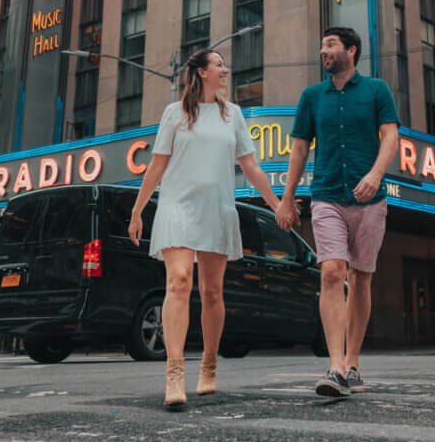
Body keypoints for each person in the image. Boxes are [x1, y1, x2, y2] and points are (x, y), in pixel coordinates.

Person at [128, 48, 287, 411]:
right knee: (178, 281)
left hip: (216, 208)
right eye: (219, 65)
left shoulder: (233, 115)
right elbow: (156, 167)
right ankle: (173, 372)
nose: (225, 70)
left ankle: (209, 362)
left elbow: (251, 167)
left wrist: (277, 205)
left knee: (212, 292)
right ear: (201, 72)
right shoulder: (175, 114)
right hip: (177, 205)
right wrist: (138, 211)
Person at [276, 27, 399, 397]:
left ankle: (353, 363)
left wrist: (376, 175)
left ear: (351, 50)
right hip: (327, 195)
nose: (322, 50)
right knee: (332, 271)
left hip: (369, 201)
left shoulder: (377, 90)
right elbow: (298, 149)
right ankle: (335, 367)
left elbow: (390, 136)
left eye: (330, 45)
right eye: (321, 45)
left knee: (362, 278)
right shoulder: (312, 97)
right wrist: (287, 198)